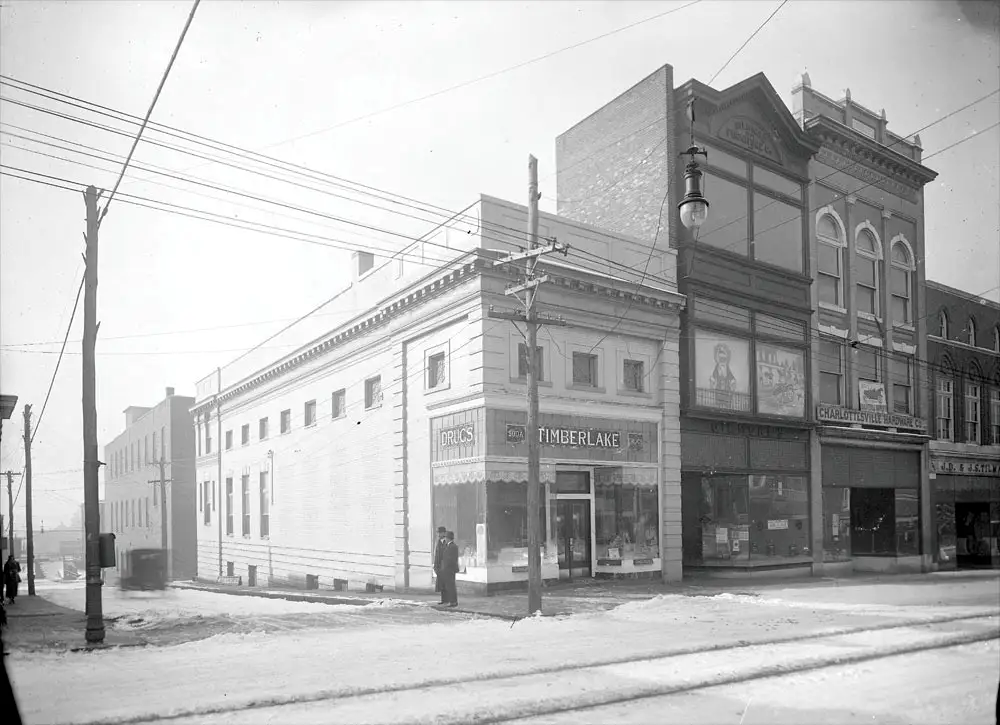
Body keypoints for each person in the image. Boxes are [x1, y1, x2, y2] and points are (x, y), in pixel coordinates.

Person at [439, 531, 459, 608]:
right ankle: (450, 600)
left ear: (448, 538)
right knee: (448, 586)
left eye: (446, 538)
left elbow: (452, 559)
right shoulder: (447, 546)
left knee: (451, 586)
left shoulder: (453, 546)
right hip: (446, 570)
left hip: (450, 570)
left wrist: (447, 567)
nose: (445, 539)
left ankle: (453, 602)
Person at [432, 526, 447, 602]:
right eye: (438, 533)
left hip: (446, 566)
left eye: (440, 533)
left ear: (444, 533)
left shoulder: (447, 542)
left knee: (446, 584)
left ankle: (448, 600)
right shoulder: (438, 542)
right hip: (439, 566)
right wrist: (435, 565)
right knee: (441, 584)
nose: (438, 534)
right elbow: (436, 554)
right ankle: (443, 600)